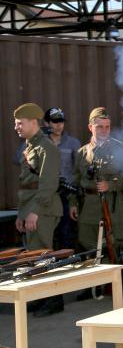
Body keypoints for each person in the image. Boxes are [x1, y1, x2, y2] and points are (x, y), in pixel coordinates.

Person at [69, 108, 123, 280]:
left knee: (116, 245)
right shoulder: (82, 152)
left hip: (113, 206)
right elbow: (75, 180)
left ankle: (117, 285)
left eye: (107, 127)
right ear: (90, 127)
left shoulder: (119, 149)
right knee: (89, 246)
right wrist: (73, 203)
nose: (104, 130)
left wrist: (110, 185)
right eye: (99, 127)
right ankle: (93, 286)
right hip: (88, 206)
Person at [14, 103, 63, 317]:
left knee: (45, 254)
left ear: (33, 122)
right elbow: (26, 185)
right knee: (35, 255)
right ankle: (41, 297)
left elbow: (48, 184)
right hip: (32, 207)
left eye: (20, 123)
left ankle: (54, 300)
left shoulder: (46, 147)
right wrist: (21, 213)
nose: (16, 127)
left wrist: (34, 211)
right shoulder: (30, 146)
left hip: (43, 209)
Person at [44, 107, 81, 250]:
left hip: (66, 196)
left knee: (66, 234)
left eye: (61, 121)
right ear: (46, 123)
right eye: (55, 122)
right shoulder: (40, 142)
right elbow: (18, 158)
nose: (59, 125)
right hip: (46, 196)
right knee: (47, 234)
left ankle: (67, 260)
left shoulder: (73, 143)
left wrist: (73, 202)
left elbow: (78, 172)